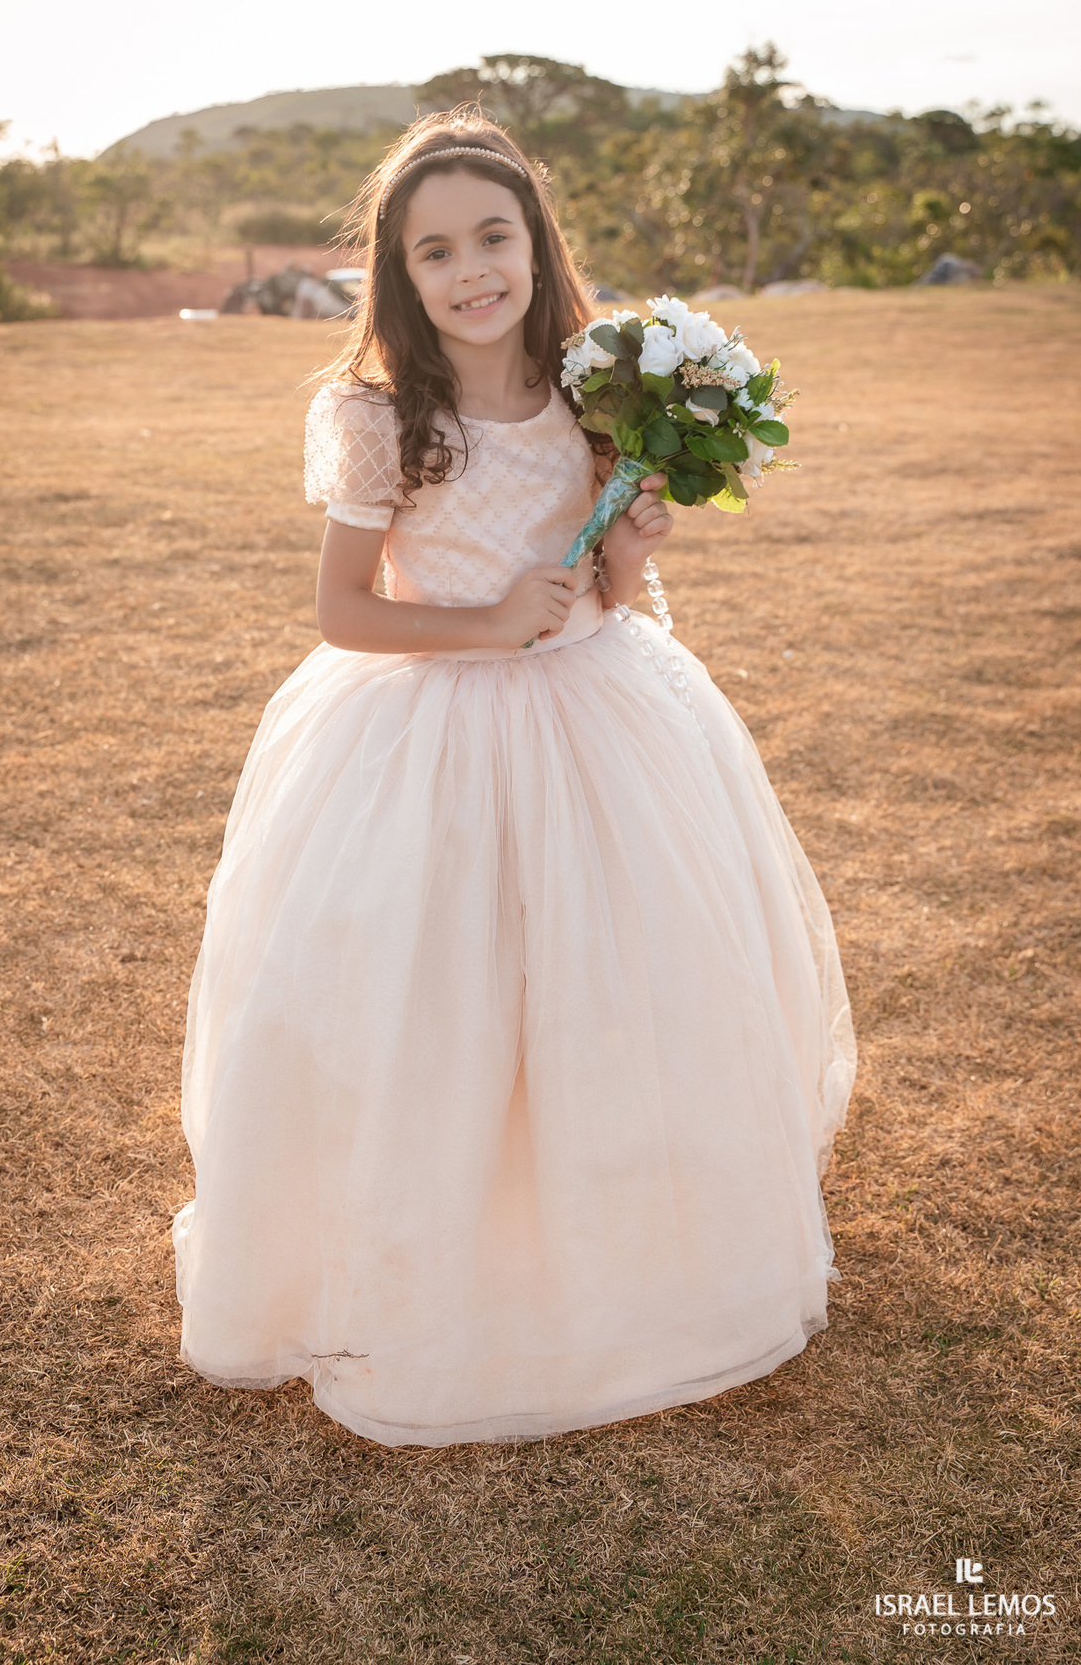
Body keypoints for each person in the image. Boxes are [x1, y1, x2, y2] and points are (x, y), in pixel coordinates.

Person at [172, 112, 857, 1448]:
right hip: (430, 727)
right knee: (439, 986)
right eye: (435, 251)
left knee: (620, 971)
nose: (471, 270)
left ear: (537, 247)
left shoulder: (594, 393)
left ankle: (621, 1224)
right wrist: (484, 626)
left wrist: (631, 551)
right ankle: (435, 1237)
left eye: (494, 237)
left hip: (597, 715)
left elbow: (602, 583)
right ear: (400, 273)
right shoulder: (379, 417)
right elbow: (343, 611)